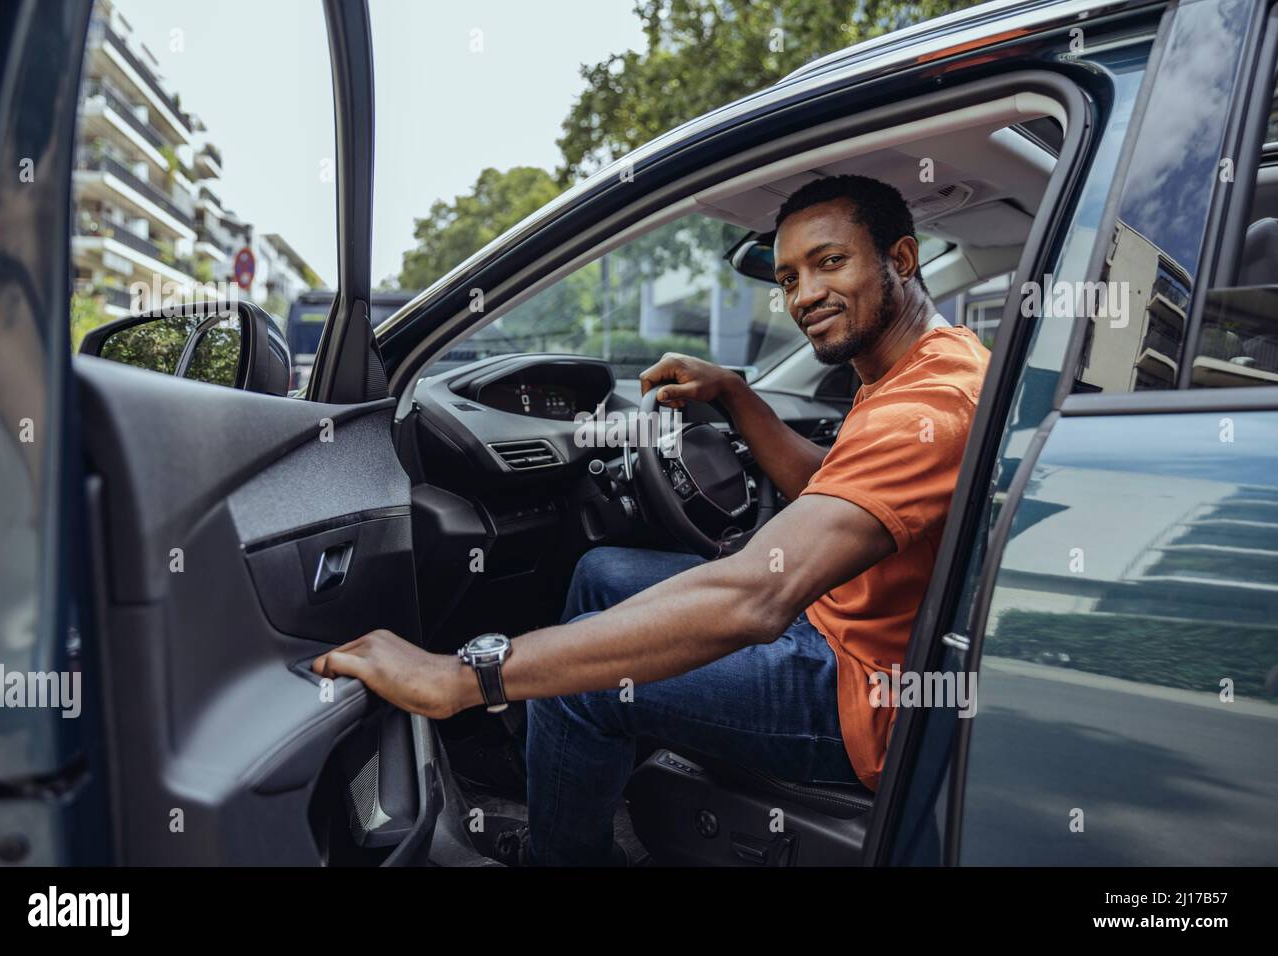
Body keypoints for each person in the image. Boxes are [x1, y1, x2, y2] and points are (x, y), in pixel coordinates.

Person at [314, 174, 991, 865]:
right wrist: (733, 393)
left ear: (902, 260)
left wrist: (461, 678)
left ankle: (562, 852)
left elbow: (755, 597)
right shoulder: (921, 367)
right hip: (845, 625)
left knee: (574, 685)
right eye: (788, 278)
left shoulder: (928, 406)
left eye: (829, 262)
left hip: (863, 697)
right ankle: (562, 792)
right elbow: (832, 484)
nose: (804, 296)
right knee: (601, 571)